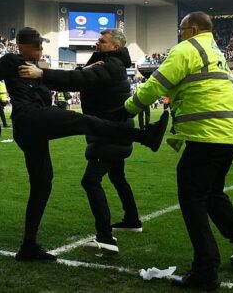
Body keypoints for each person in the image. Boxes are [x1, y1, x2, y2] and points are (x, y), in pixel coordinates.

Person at [0, 27, 168, 262]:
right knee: (83, 121)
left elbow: (62, 84)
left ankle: (28, 247)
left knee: (43, 184)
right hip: (30, 120)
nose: (40, 51)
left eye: (41, 47)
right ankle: (143, 136)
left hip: (36, 128)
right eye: (36, 47)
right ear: (22, 46)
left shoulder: (37, 69)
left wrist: (62, 75)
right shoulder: (11, 61)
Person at [122, 13, 233, 290]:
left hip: (208, 131)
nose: (179, 33)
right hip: (230, 131)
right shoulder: (214, 51)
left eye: (181, 29)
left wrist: (127, 109)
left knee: (192, 195)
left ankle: (206, 268)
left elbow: (155, 85)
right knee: (213, 193)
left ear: (193, 29)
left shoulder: (187, 49)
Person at [20, 28, 143, 255]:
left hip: (109, 132)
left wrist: (41, 74)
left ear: (115, 46)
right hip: (116, 129)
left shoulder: (110, 65)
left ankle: (105, 237)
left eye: (102, 41)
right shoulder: (109, 63)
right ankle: (133, 219)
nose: (97, 43)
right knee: (117, 175)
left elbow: (76, 80)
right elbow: (82, 75)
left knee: (90, 181)